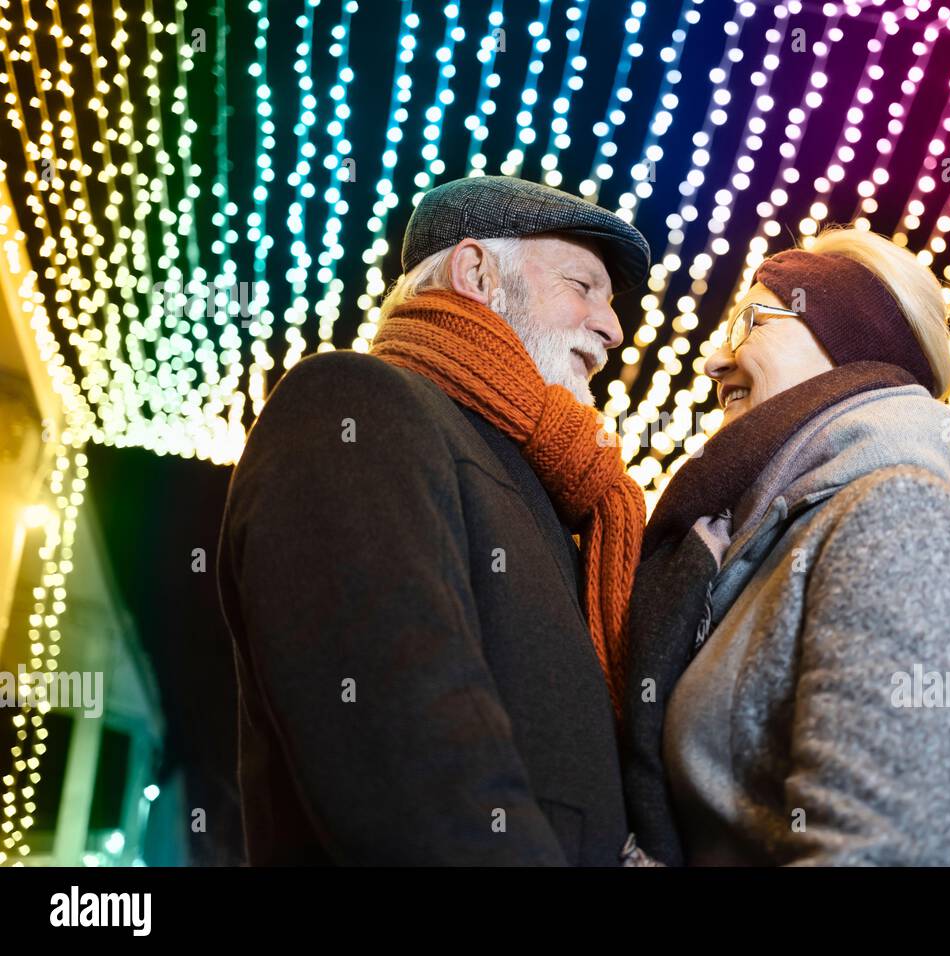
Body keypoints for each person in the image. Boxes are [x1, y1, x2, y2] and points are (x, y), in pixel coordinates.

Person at [217, 175, 650, 865]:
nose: (613, 327)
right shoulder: (354, 407)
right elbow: (408, 757)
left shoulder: (557, 497)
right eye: (584, 286)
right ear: (478, 273)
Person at [621, 226, 950, 866]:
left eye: (753, 323)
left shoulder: (900, 520)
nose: (715, 360)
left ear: (850, 348)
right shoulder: (762, 549)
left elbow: (880, 854)